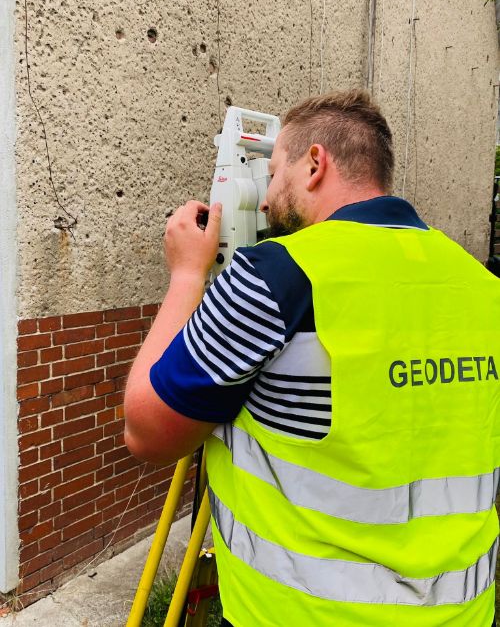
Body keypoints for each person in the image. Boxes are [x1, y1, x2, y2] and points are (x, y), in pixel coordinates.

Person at [124, 90, 500, 627]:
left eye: (274, 172)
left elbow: (146, 432)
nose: (265, 201)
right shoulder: (480, 285)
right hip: (464, 615)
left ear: (315, 163)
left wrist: (187, 275)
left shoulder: (277, 275)